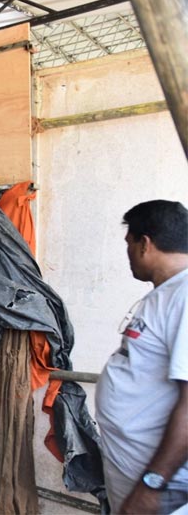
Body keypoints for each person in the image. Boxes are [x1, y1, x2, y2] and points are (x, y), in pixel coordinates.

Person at [95, 200, 188, 514]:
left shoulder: (185, 296)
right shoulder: (168, 292)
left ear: (145, 244)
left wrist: (152, 484)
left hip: (160, 482)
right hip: (133, 467)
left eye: (129, 243)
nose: (128, 254)